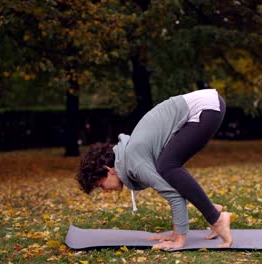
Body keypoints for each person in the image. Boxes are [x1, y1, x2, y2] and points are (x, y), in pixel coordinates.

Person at [77, 89, 232, 249]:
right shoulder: (130, 157)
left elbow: (174, 195)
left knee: (168, 167)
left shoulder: (134, 162)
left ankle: (217, 219)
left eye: (100, 185)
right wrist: (175, 233)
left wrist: (179, 239)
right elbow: (173, 186)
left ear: (109, 169)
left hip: (205, 108)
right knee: (169, 169)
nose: (104, 190)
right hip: (207, 105)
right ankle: (213, 210)